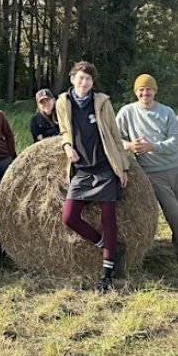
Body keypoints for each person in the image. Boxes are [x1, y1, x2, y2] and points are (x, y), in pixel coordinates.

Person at [116, 74, 178, 272]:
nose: (145, 93)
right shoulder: (127, 113)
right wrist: (129, 145)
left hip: (176, 169)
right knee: (174, 213)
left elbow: (176, 142)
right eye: (141, 90)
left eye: (148, 89)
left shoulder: (166, 112)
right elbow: (115, 139)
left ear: (155, 91)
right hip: (152, 173)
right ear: (136, 92)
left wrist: (152, 146)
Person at [57, 61, 131, 293]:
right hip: (82, 169)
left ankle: (106, 274)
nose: (84, 82)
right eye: (81, 77)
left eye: (88, 79)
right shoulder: (63, 102)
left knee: (109, 218)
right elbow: (63, 130)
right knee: (69, 217)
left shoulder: (102, 102)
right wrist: (67, 146)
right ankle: (107, 245)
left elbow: (114, 135)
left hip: (104, 166)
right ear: (72, 79)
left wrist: (123, 167)